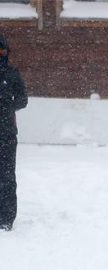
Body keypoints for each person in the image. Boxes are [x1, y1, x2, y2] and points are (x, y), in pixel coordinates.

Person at [0, 33, 28, 231]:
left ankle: (6, 218)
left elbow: (22, 100)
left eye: (2, 51)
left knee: (6, 176)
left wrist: (7, 105)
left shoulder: (12, 74)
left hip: (6, 134)